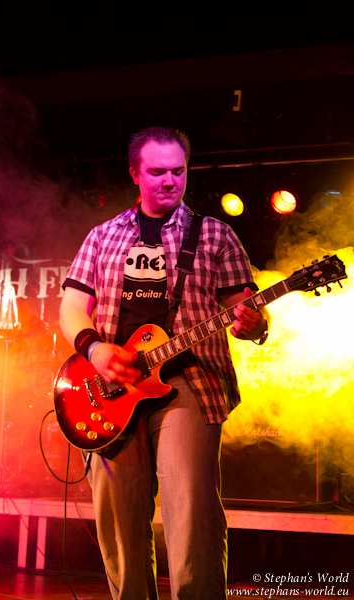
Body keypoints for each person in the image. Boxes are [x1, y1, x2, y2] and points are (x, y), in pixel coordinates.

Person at [59, 126, 269, 600]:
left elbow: (245, 308)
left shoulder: (214, 234)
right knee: (119, 519)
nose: (170, 180)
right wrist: (95, 349)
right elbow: (71, 307)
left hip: (191, 382)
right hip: (113, 390)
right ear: (135, 174)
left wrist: (254, 323)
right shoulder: (102, 236)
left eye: (178, 170)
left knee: (191, 511)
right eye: (157, 172)